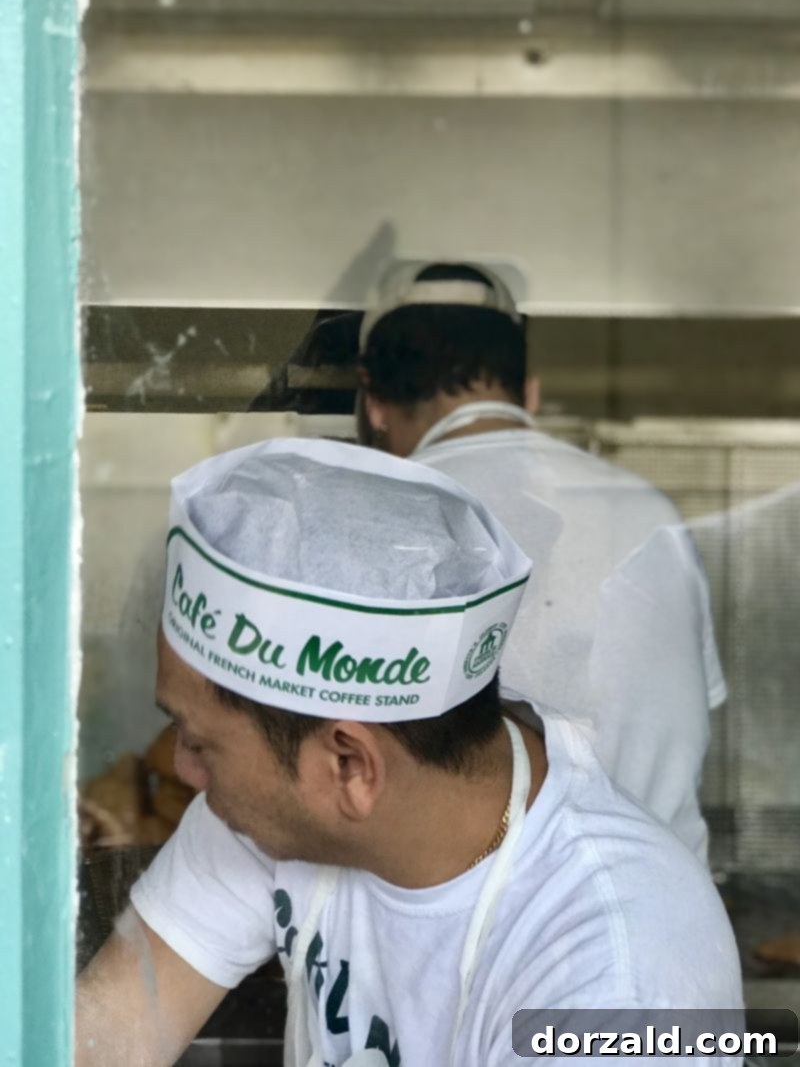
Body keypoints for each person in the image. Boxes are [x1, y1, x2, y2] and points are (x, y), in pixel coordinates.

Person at [76, 438, 742, 1067]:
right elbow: (101, 1037)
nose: (184, 773)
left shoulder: (620, 977)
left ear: (350, 766)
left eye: (198, 742)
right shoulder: (263, 813)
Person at [359, 261, 726, 861]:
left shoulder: (382, 514)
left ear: (373, 401)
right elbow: (682, 721)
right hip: (671, 911)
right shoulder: (651, 513)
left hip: (496, 929)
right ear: (528, 391)